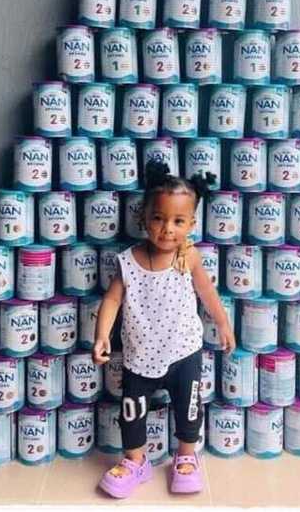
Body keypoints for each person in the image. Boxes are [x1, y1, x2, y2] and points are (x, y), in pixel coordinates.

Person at [93, 161, 235, 498]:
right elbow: (112, 300)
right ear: (144, 216)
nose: (167, 229)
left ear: (191, 224)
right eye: (158, 218)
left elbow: (207, 293)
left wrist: (224, 323)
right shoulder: (128, 260)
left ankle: (186, 456)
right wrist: (101, 336)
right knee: (132, 412)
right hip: (139, 356)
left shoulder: (190, 258)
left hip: (183, 352)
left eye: (178, 221)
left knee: (189, 407)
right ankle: (135, 462)